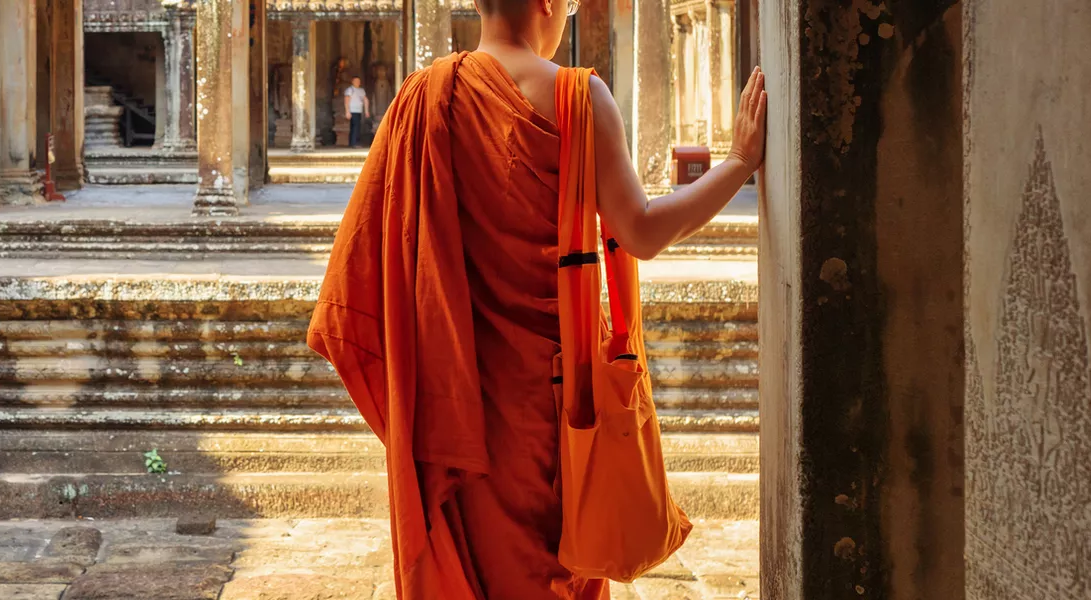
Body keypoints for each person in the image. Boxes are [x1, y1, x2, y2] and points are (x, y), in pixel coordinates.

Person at [305, 0, 767, 597]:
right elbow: (643, 232)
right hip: (554, 410)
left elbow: (364, 264)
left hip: (459, 407)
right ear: (548, 3)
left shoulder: (423, 98)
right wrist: (738, 162)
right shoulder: (578, 96)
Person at [344, 76, 371, 147]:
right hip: (352, 110)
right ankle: (354, 143)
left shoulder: (361, 90)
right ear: (352, 82)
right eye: (356, 81)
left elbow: (365, 100)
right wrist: (347, 111)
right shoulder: (350, 90)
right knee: (355, 127)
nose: (357, 82)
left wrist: (366, 111)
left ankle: (352, 143)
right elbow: (346, 100)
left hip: (359, 111)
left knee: (357, 126)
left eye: (358, 81)